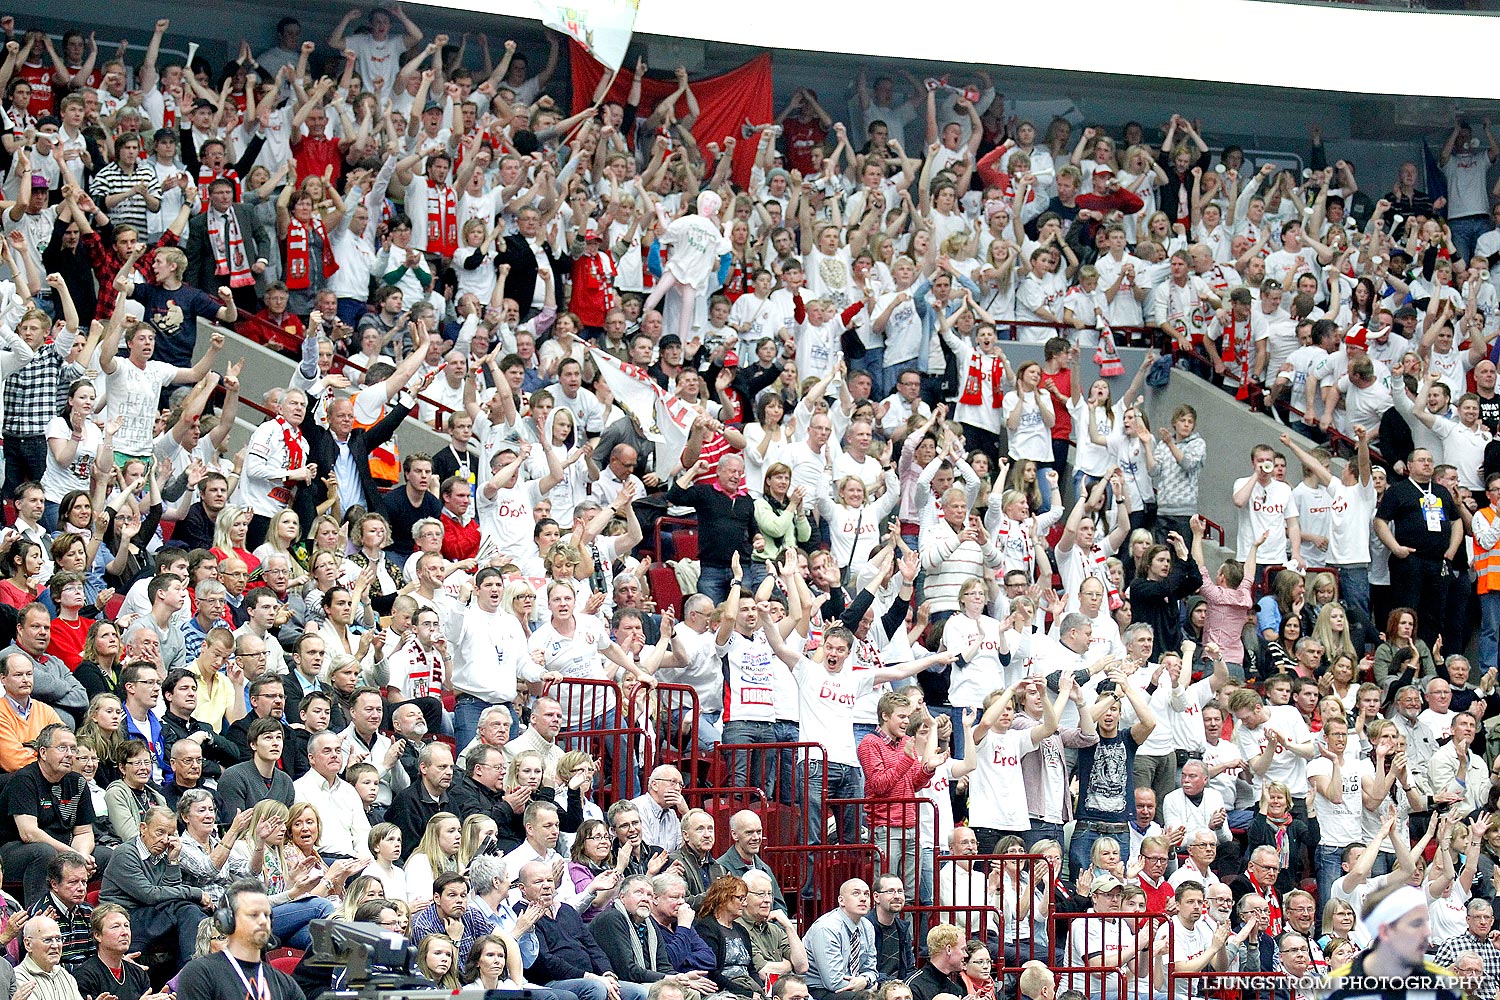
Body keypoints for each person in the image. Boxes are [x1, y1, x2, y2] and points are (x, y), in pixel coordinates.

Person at [0, 724, 104, 905]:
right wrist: (72, 856)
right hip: (16, 851)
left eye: (73, 749)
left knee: (106, 856)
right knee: (43, 852)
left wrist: (81, 856)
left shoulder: (77, 782)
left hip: (63, 848)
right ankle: (41, 920)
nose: (70, 754)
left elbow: (84, 832)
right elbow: (29, 833)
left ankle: (92, 920)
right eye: (62, 748)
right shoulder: (24, 780)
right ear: (43, 752)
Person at [174, 880, 307, 1000]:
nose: (263, 921)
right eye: (253, 915)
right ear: (228, 921)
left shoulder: (284, 983)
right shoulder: (200, 973)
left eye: (267, 915)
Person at [803, 878, 877, 1000]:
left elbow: (871, 969)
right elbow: (833, 982)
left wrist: (865, 980)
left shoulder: (867, 926)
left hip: (854, 986)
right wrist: (866, 987)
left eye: (866, 894)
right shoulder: (827, 928)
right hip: (816, 989)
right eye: (856, 893)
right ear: (841, 900)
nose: (863, 898)